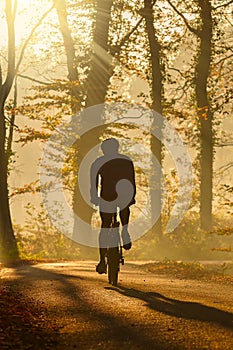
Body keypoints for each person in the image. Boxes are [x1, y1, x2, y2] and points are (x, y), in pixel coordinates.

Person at [90, 138, 136, 274]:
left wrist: (94, 197)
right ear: (117, 148)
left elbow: (93, 184)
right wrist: (132, 197)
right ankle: (125, 231)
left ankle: (101, 261)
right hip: (124, 195)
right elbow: (132, 180)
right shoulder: (126, 161)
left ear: (104, 150)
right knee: (124, 208)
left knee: (105, 227)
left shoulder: (98, 162)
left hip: (107, 196)